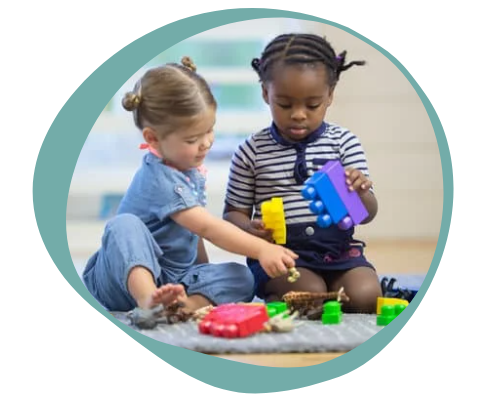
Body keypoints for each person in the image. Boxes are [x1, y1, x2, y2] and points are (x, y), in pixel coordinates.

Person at [82, 56, 298, 314]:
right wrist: (263, 248)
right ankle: (148, 299)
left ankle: (183, 305)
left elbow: (193, 234)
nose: (207, 143)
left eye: (210, 130)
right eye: (193, 138)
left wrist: (203, 275)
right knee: (123, 225)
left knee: (243, 277)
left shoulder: (189, 171)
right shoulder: (159, 177)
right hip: (119, 280)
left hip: (174, 279)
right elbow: (208, 227)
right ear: (153, 137)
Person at [222, 33, 383, 313]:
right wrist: (250, 230)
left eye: (312, 105)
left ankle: (322, 292)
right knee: (311, 295)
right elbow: (232, 213)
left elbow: (366, 214)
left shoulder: (344, 142)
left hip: (340, 252)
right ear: (265, 93)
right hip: (281, 255)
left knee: (366, 297)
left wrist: (360, 192)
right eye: (285, 104)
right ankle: (278, 293)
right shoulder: (251, 150)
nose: (298, 114)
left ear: (330, 95)